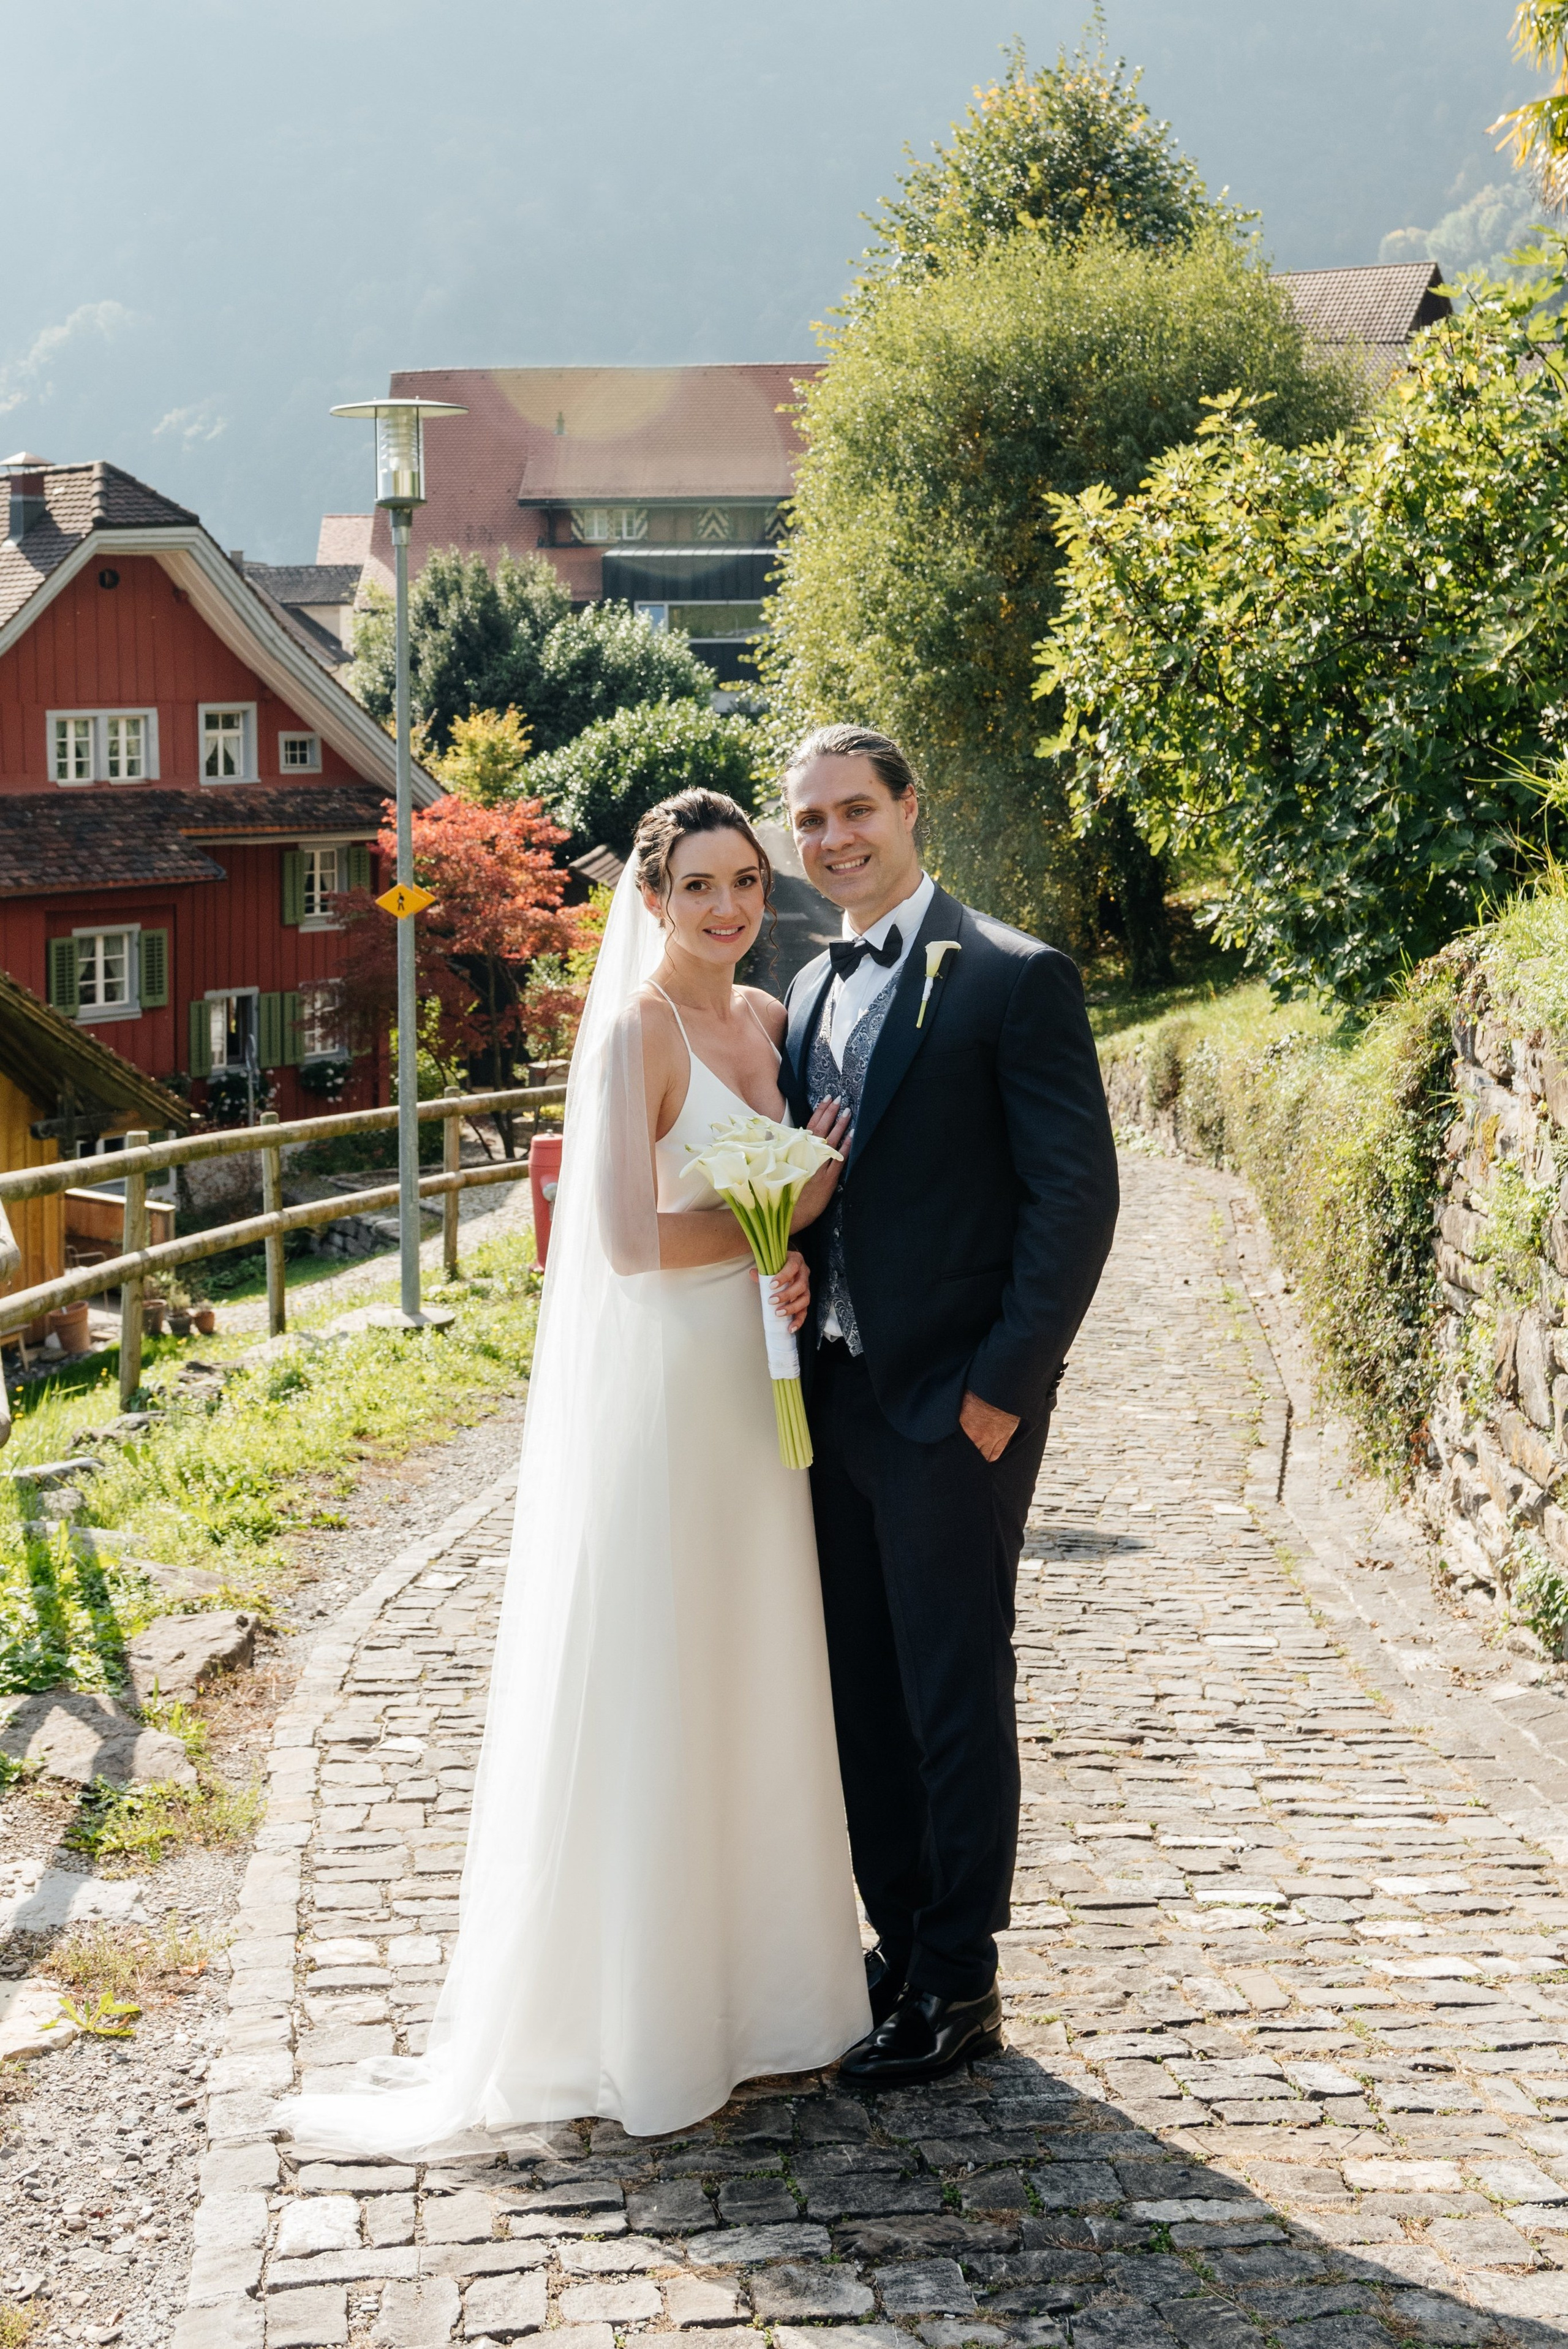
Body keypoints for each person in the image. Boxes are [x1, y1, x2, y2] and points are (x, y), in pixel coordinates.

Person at [279, 789, 869, 2156]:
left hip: (757, 1383)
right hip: (669, 1390)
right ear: (650, 900)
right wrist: (777, 1222)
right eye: (698, 886)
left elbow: (782, 1210)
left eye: (744, 882)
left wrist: (791, 1251)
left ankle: (775, 2000)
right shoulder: (635, 1034)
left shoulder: (768, 1020)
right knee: (664, 1665)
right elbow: (623, 1244)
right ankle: (650, 2018)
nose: (726, 908)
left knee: (759, 1658)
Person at [779, 724, 1120, 2086]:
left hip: (953, 1408)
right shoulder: (805, 988)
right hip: (831, 1402)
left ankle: (962, 1979)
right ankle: (902, 1942)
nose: (833, 840)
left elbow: (1074, 1201)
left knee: (952, 1691)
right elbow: (812, 1188)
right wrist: (789, 1268)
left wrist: (1001, 1391)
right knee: (860, 1691)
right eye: (810, 821)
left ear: (911, 807)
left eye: (854, 810)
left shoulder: (1013, 977)